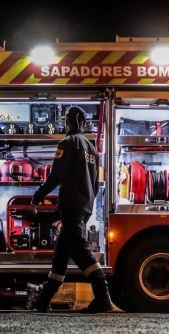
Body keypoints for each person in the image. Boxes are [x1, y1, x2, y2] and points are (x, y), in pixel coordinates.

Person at [31, 106, 114, 313]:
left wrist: (38, 195)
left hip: (71, 206)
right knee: (61, 256)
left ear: (68, 122)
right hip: (84, 207)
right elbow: (96, 184)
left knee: (80, 250)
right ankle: (43, 301)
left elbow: (56, 176)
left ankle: (103, 297)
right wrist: (86, 204)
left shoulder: (67, 143)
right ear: (84, 123)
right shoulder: (92, 150)